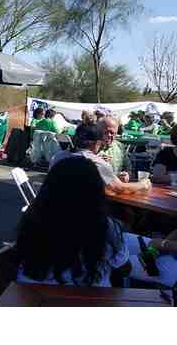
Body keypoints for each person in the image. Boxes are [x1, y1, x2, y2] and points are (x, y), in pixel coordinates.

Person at [16, 156, 132, 287]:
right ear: (96, 191)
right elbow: (125, 269)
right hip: (89, 297)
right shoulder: (104, 227)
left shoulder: (32, 220)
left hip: (32, 295)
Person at [50, 123, 150, 194]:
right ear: (97, 143)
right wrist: (143, 184)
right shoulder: (96, 162)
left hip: (51, 210)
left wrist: (110, 177)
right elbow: (120, 188)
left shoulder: (58, 156)